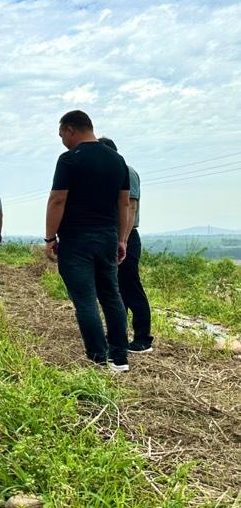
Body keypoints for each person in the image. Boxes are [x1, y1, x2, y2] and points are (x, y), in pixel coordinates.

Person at [44, 111, 131, 371]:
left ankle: (98, 358)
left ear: (71, 130)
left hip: (77, 240)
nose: (62, 141)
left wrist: (50, 237)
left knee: (85, 300)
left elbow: (57, 199)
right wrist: (122, 239)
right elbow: (124, 203)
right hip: (107, 237)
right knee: (111, 296)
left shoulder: (69, 160)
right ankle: (120, 357)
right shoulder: (118, 161)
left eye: (62, 136)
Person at [98, 137, 154, 353]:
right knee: (115, 289)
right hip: (113, 236)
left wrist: (122, 239)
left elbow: (130, 207)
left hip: (126, 237)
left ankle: (143, 338)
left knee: (131, 287)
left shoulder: (127, 172)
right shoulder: (111, 174)